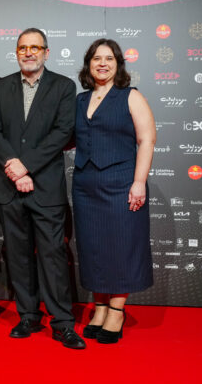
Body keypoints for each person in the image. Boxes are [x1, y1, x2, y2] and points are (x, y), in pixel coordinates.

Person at [0, 28, 86, 349]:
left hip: (45, 187)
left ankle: (62, 322)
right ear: (16, 52)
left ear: (46, 52)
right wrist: (15, 170)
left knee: (53, 255)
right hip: (9, 187)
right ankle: (28, 315)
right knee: (17, 256)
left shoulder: (63, 86)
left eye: (35, 47)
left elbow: (63, 132)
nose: (28, 53)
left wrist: (25, 166)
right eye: (22, 48)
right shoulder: (0, 87)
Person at [73, 38, 156, 344]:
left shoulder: (130, 96)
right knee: (93, 247)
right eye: (97, 58)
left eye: (109, 58)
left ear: (118, 64)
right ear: (89, 64)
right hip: (85, 185)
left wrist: (138, 182)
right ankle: (99, 308)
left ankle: (116, 311)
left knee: (120, 247)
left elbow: (147, 139)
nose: (102, 64)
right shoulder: (80, 100)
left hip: (121, 183)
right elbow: (68, 138)